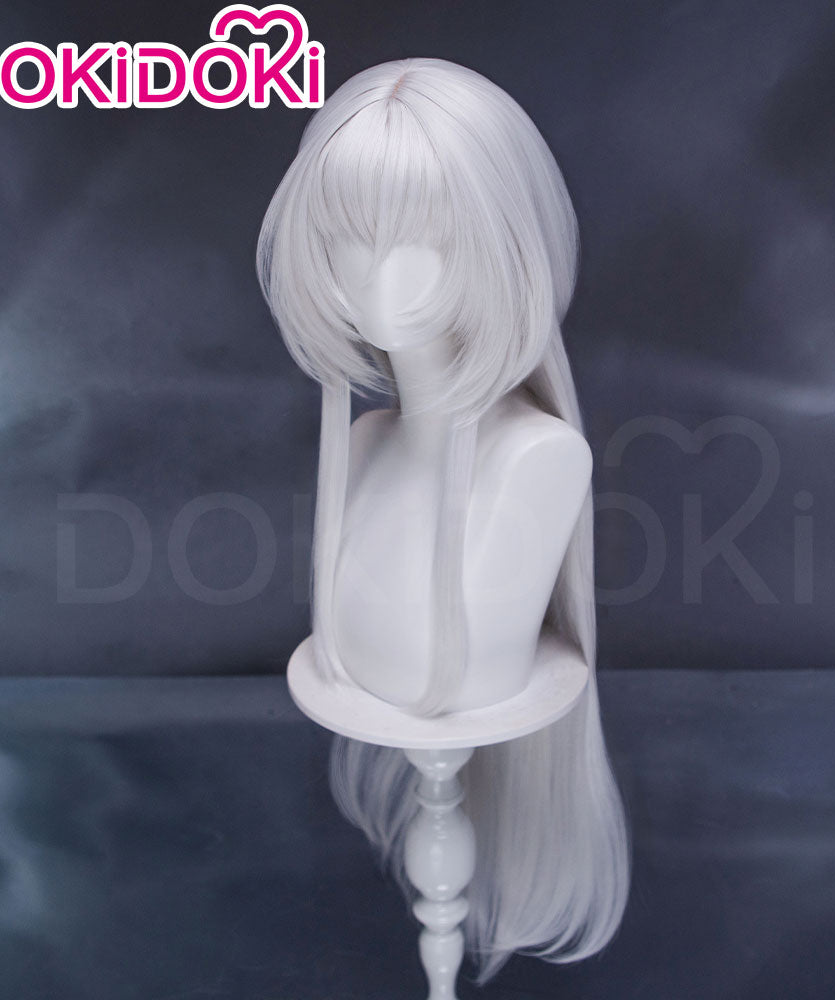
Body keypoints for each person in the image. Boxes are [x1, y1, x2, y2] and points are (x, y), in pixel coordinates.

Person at [258, 57, 630, 982]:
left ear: (497, 245)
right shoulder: (367, 443)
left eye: (422, 238)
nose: (376, 275)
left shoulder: (541, 462)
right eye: (348, 237)